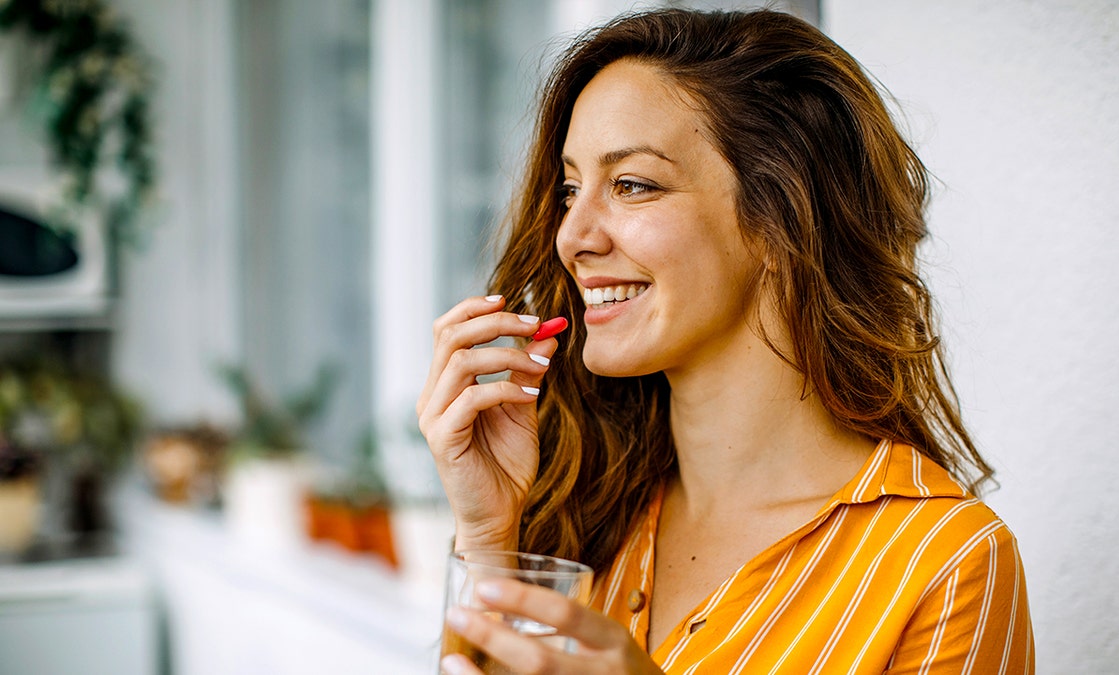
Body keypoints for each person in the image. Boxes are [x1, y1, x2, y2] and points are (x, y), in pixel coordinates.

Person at [418, 8, 1033, 674]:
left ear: (780, 219)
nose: (572, 237)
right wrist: (489, 535)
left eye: (631, 185)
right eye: (571, 190)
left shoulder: (943, 562)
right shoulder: (586, 507)